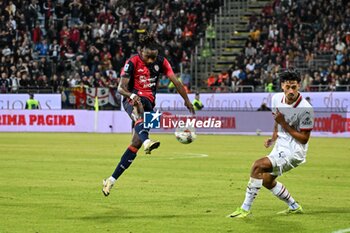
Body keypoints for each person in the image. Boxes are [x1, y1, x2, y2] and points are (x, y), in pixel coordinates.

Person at [102, 34, 195, 196]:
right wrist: (131, 95)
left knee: (134, 144)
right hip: (132, 98)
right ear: (141, 51)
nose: (151, 61)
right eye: (148, 57)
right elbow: (120, 88)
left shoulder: (162, 61)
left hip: (150, 103)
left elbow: (176, 81)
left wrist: (186, 100)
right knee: (139, 106)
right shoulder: (132, 62)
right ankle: (147, 142)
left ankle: (110, 180)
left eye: (153, 57)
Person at [228, 68, 314, 218]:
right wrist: (273, 138)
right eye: (287, 87)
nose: (291, 91)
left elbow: (304, 138)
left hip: (295, 150)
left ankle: (245, 209)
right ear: (282, 86)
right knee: (267, 181)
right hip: (280, 145)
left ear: (299, 86)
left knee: (257, 166)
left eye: (294, 87)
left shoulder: (306, 109)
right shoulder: (276, 99)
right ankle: (294, 206)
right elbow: (277, 120)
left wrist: (284, 124)